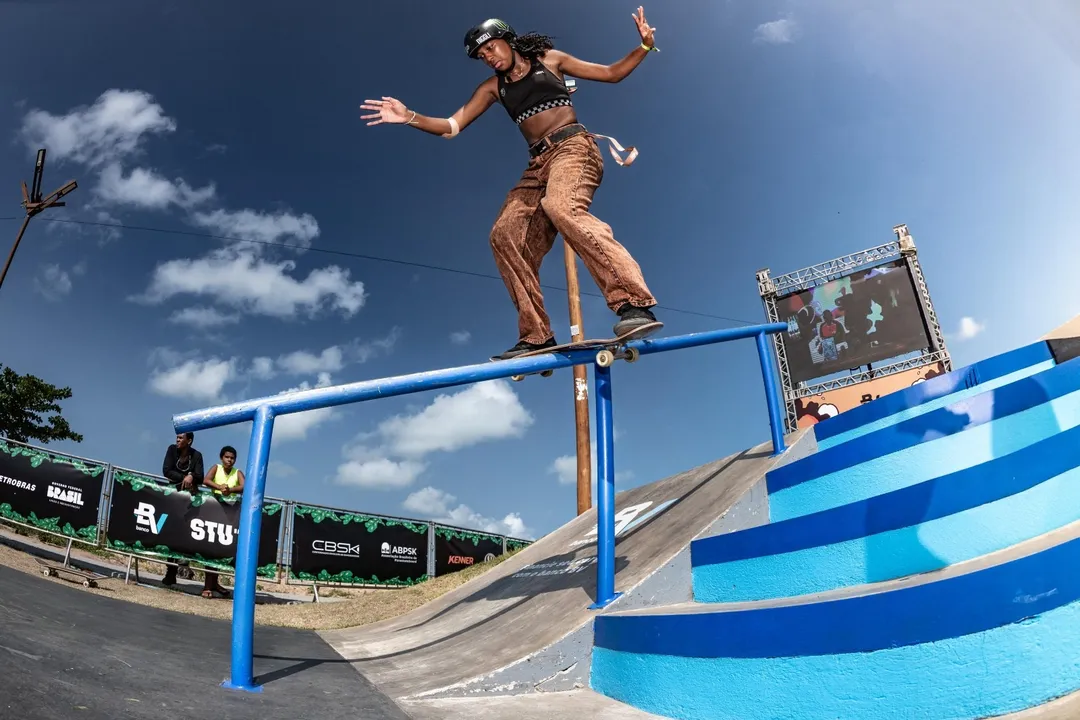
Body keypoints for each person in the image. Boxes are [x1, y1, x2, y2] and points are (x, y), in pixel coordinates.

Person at [360, 8, 663, 359]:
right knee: (504, 235)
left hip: (574, 148)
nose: (487, 58)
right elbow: (451, 126)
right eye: (481, 56)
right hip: (538, 164)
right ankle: (536, 335)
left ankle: (633, 303)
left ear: (508, 39)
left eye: (490, 49)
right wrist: (410, 116)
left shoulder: (550, 60)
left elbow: (612, 74)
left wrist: (643, 46)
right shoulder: (492, 88)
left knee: (561, 206)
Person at [199, 445, 245, 599]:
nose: (229, 460)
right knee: (210, 550)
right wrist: (219, 487)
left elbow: (245, 486)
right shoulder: (216, 468)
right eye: (227, 457)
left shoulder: (237, 472)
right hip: (214, 512)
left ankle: (214, 583)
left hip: (229, 515)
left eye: (232, 458)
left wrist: (230, 490)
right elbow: (206, 480)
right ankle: (207, 585)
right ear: (221, 458)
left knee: (220, 551)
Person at [160, 431, 205, 585]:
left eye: (181, 438)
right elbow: (166, 470)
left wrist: (192, 476)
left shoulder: (197, 455)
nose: (177, 440)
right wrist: (184, 478)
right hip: (173, 498)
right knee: (170, 533)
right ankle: (170, 571)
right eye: (177, 437)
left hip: (190, 502)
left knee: (185, 535)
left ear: (189, 441)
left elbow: (201, 476)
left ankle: (184, 566)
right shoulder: (171, 449)